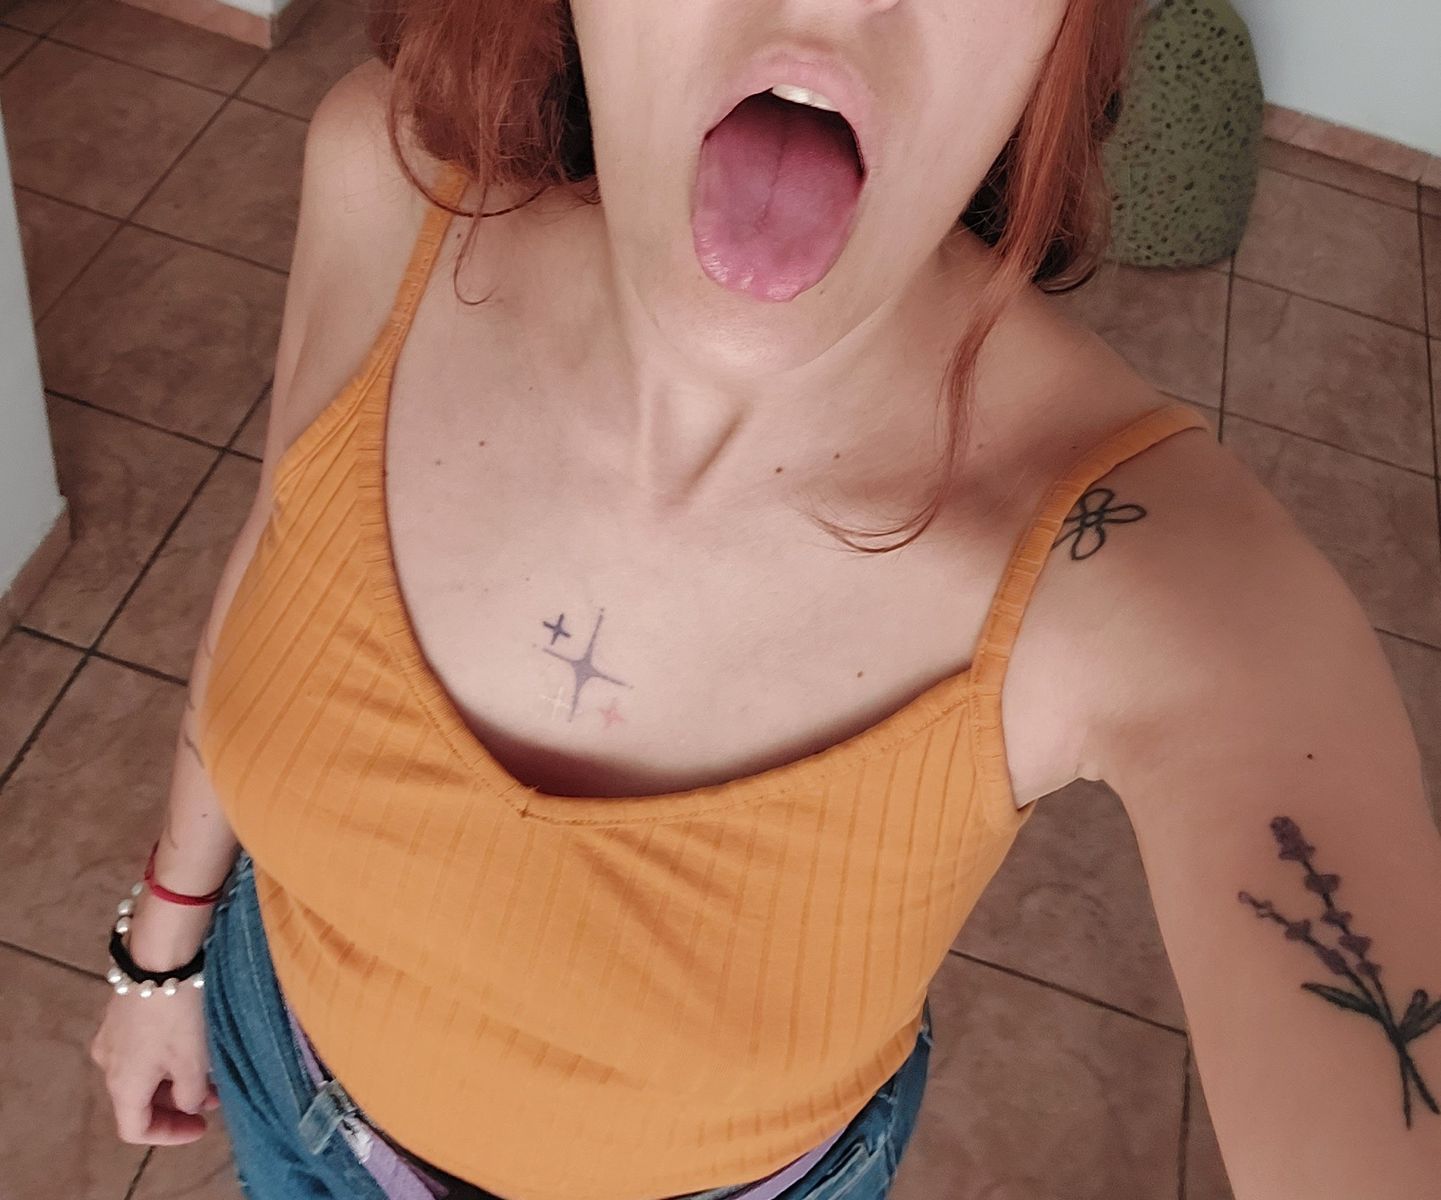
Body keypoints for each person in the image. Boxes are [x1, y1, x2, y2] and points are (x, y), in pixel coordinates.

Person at [88, 0, 1441, 1198]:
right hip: (284, 1085)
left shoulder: (1169, 585)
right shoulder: (387, 181)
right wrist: (164, 946)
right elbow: (274, 550)